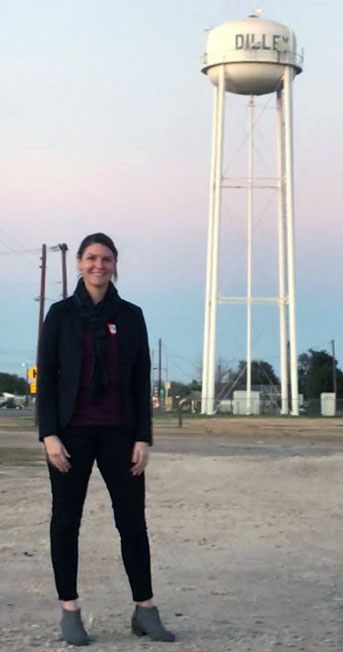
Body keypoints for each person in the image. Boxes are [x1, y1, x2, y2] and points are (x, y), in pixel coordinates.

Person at [38, 232, 175, 645]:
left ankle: (145, 610)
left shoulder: (131, 315)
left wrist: (143, 437)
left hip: (120, 434)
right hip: (70, 435)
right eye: (92, 258)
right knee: (66, 521)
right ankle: (70, 611)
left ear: (116, 265)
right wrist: (48, 435)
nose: (99, 265)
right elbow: (48, 378)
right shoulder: (60, 315)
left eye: (107, 259)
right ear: (79, 263)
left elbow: (139, 378)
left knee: (132, 523)